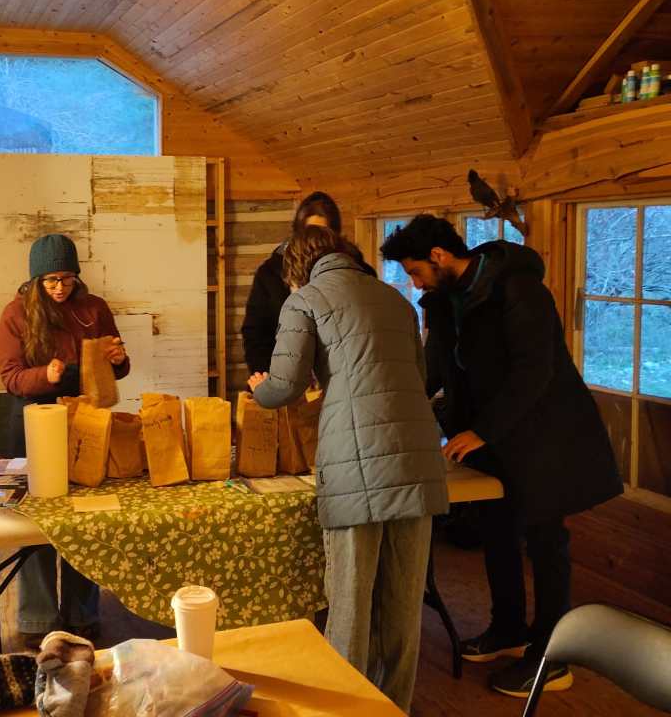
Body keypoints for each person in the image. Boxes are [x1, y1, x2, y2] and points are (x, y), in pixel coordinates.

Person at [380, 215, 623, 698]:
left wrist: (481, 430)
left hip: (547, 433)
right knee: (497, 532)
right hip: (492, 439)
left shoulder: (519, 289)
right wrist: (398, 407)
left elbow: (535, 372)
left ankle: (552, 657)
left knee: (546, 542)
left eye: (415, 272)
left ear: (439, 256)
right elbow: (437, 369)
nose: (414, 283)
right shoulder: (446, 301)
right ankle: (508, 628)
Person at [249, 226, 447, 714]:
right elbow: (417, 379)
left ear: (298, 267)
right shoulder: (396, 299)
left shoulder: (306, 300)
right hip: (419, 460)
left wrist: (260, 387)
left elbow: (285, 387)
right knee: (402, 607)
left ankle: (343, 709)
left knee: (350, 605)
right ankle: (392, 708)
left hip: (355, 465)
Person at [0, 233, 129, 648]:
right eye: (51, 280)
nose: (59, 288)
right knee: (38, 522)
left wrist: (120, 359)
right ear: (35, 279)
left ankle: (82, 613)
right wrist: (45, 377)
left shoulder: (94, 308)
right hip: (33, 420)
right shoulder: (16, 313)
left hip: (84, 418)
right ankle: (36, 618)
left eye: (68, 279)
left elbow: (117, 370)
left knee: (83, 521)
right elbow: (11, 376)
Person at [241, 191, 374, 377]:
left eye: (321, 236)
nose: (314, 244)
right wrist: (268, 377)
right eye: (308, 234)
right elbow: (256, 333)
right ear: (297, 234)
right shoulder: (270, 273)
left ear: (334, 236)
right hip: (284, 375)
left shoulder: (359, 273)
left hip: (343, 376)